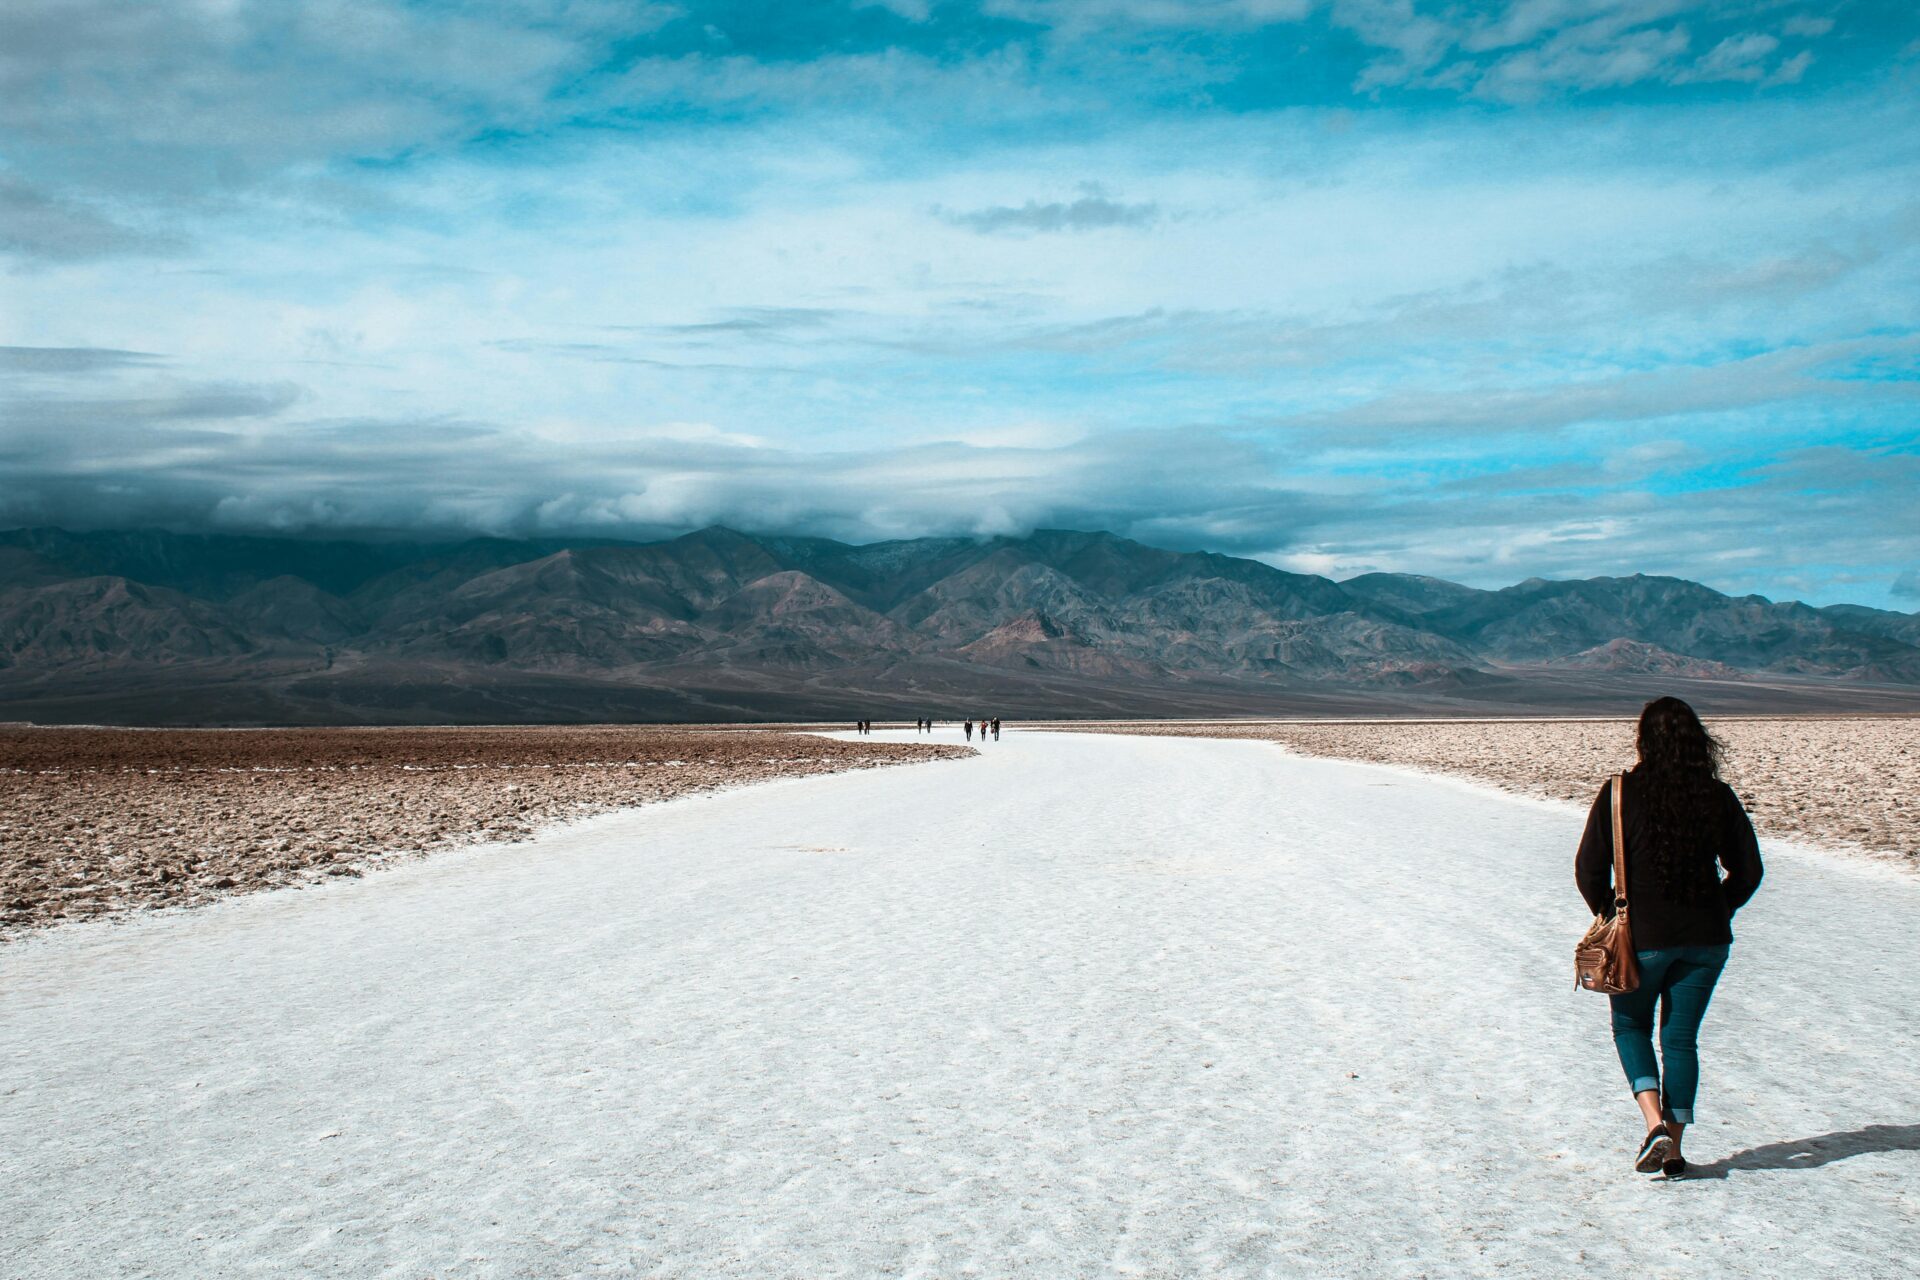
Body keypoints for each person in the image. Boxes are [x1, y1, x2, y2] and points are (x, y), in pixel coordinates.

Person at [1576, 696, 1763, 1178]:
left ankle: (1654, 1123)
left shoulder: (1620, 792)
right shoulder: (1716, 795)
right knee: (1680, 1041)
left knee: (1631, 1028)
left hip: (1641, 938)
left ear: (1644, 739)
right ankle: (1674, 1150)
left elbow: (1588, 869)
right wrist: (1721, 906)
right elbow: (1749, 870)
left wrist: (1611, 914)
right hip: (1706, 940)